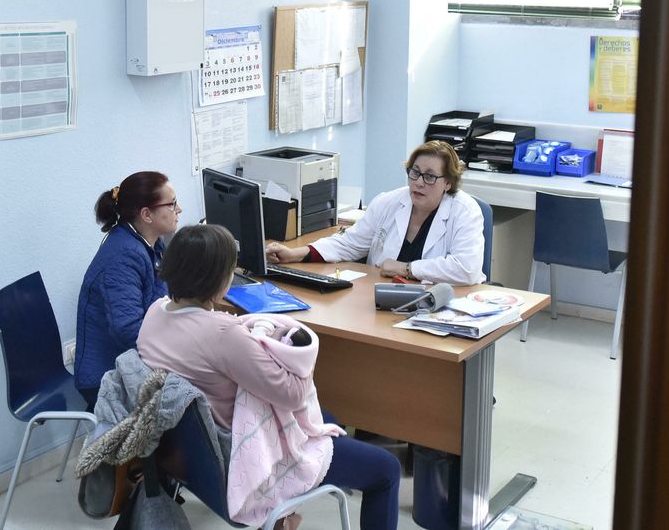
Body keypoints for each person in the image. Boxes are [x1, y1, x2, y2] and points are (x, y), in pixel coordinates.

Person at [137, 224, 401, 530]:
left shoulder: (155, 313)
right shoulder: (224, 335)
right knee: (387, 471)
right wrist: (298, 350)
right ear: (218, 279)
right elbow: (293, 394)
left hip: (191, 461)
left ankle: (282, 519)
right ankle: (279, 515)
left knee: (328, 418)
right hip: (243, 460)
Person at [266, 140, 486, 285]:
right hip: (384, 300)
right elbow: (349, 243)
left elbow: (467, 269)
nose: (418, 182)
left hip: (441, 306)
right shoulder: (388, 202)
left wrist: (407, 268)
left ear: (448, 182)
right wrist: (294, 254)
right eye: (414, 172)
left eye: (429, 176)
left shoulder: (465, 212)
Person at [74, 170, 182, 409]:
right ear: (146, 214)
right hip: (106, 376)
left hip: (136, 357)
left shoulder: (151, 244)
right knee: (198, 389)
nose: (179, 209)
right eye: (172, 204)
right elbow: (128, 331)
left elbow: (166, 294)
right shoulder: (122, 256)